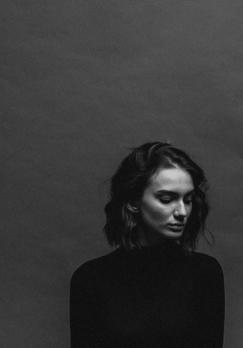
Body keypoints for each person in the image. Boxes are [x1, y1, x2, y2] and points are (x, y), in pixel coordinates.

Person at [70, 141, 225, 348]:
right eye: (167, 199)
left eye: (188, 200)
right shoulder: (90, 279)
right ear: (133, 201)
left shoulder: (205, 273)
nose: (182, 212)